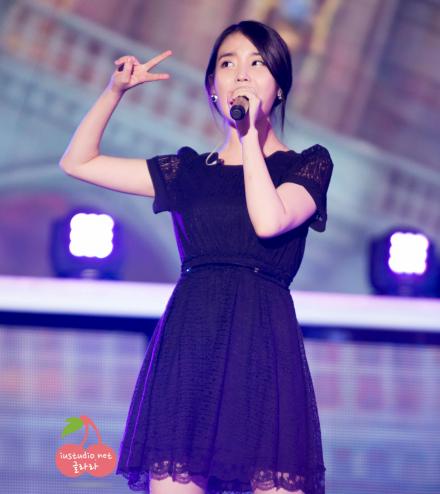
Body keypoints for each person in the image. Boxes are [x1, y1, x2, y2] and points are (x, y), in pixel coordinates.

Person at [59, 19, 333, 494]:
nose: (241, 74)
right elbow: (78, 162)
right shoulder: (186, 171)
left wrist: (247, 138)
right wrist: (114, 91)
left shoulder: (307, 163)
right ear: (212, 87)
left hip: (264, 348)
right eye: (228, 64)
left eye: (257, 63)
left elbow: (269, 221)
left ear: (280, 89)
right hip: (191, 345)